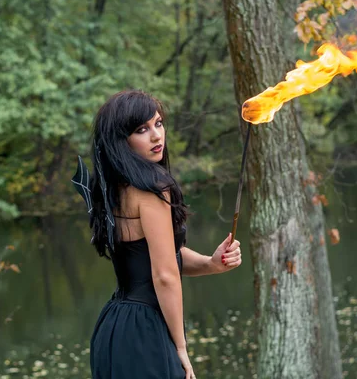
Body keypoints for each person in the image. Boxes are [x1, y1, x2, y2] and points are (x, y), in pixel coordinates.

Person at [87, 89, 242, 379]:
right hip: (145, 333)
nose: (157, 135)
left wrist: (210, 263)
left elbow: (157, 257)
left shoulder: (112, 186)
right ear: (122, 140)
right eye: (141, 129)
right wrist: (180, 348)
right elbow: (164, 275)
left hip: (113, 328)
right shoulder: (151, 187)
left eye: (158, 123)